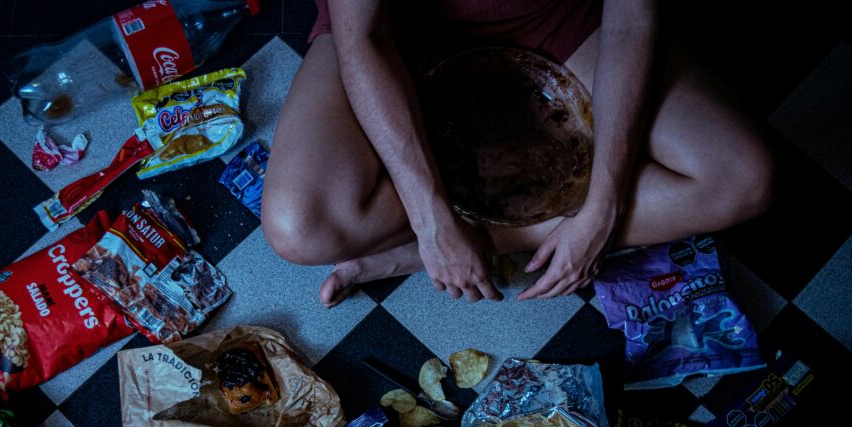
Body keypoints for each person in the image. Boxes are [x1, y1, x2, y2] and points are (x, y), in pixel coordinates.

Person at [261, 0, 775, 308]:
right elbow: (363, 38)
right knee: (297, 227)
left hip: (556, 18)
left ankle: (481, 241)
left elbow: (630, 23)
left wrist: (601, 209)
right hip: (399, 28)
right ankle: (444, 239)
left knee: (741, 178)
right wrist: (431, 218)